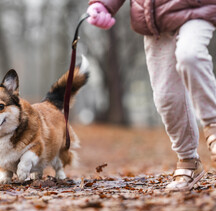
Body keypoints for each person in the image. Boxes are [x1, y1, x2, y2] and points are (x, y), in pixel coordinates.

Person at [87, 0, 216, 191]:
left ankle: (213, 125)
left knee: (190, 56)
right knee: (166, 96)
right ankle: (189, 160)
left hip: (195, 10)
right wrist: (104, 5)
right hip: (155, 21)